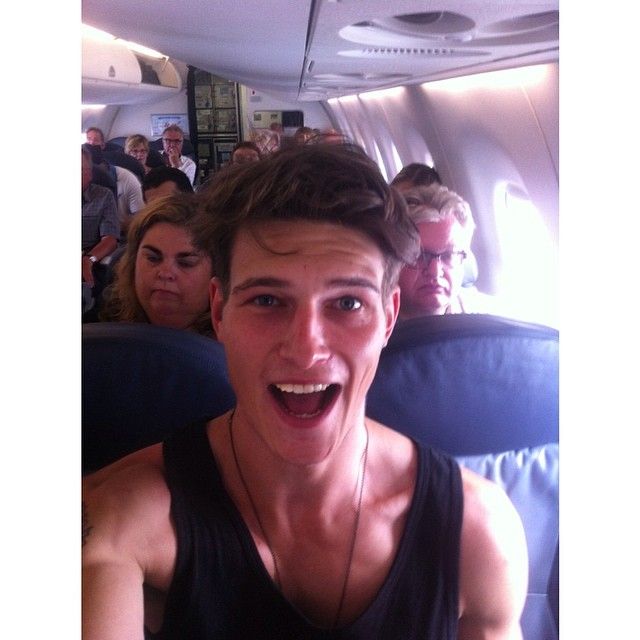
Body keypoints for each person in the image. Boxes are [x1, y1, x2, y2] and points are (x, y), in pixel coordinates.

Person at [83, 144, 527, 639]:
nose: (306, 348)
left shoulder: (476, 533)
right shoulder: (121, 516)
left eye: (347, 302)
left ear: (389, 319)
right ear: (219, 311)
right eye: (267, 299)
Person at [99, 193, 215, 335]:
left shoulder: (235, 348)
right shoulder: (107, 322)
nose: (165, 273)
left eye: (186, 263)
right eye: (153, 258)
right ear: (133, 263)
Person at [396, 183, 493, 317]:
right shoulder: (371, 324)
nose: (435, 272)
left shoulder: (486, 319)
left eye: (449, 255)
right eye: (418, 256)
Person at [82, 146, 120, 316]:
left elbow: (110, 239)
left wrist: (89, 259)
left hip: (88, 260)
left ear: (89, 174)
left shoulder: (103, 195)